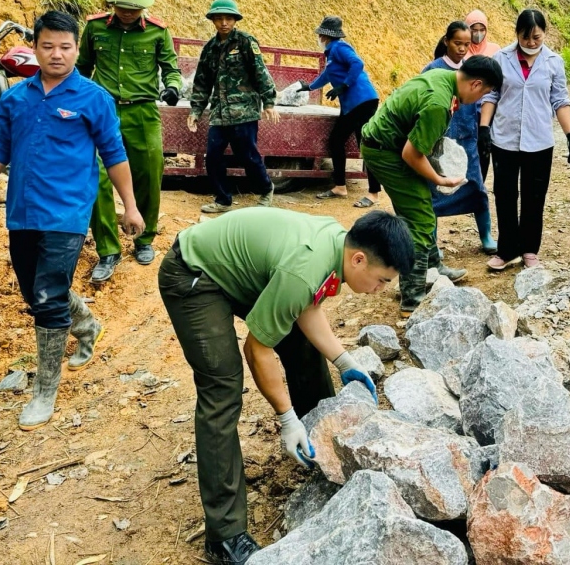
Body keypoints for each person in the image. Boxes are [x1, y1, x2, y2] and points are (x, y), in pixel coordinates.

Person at [158, 208, 414, 565]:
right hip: (195, 276)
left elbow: (305, 305)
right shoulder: (306, 267)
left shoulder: (335, 248)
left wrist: (344, 361)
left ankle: (320, 450)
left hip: (246, 273)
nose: (381, 289)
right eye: (383, 280)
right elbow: (257, 348)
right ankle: (225, 535)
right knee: (223, 387)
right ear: (358, 259)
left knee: (302, 344)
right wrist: (286, 418)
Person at [0, 11, 143, 430]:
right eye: (48, 45)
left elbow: (115, 155)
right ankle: (86, 324)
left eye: (65, 46)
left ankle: (45, 390)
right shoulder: (16, 99)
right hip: (22, 212)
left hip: (67, 213)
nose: (56, 54)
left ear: (76, 50)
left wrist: (130, 206)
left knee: (49, 298)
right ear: (34, 47)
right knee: (36, 294)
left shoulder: (93, 98)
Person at [360, 55, 503, 311]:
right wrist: (441, 179)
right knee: (421, 219)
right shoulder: (438, 101)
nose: (481, 100)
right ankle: (412, 294)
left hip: (386, 143)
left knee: (421, 206)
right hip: (385, 152)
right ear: (476, 84)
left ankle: (433, 268)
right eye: (485, 93)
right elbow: (411, 154)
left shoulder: (444, 77)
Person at [78, 0, 184, 283]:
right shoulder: (95, 28)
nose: (127, 12)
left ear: (144, 7)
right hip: (101, 110)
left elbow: (171, 68)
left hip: (142, 111)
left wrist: (173, 87)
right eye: (122, 6)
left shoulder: (157, 33)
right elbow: (83, 68)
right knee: (94, 173)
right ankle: (108, 248)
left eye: (133, 7)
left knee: (150, 171)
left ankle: (144, 238)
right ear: (112, 3)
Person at [479, 9, 570, 272]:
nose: (532, 42)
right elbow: (491, 95)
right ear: (516, 34)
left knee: (535, 197)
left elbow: (560, 100)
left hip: (539, 141)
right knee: (505, 195)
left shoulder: (553, 61)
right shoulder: (501, 58)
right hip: (505, 140)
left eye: (537, 37)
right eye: (526, 37)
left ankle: (530, 249)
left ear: (544, 33)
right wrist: (484, 128)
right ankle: (507, 250)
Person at [188, 0, 280, 214]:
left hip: (244, 112)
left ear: (235, 20)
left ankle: (266, 189)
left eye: (228, 18)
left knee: (248, 156)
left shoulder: (246, 42)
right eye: (218, 19)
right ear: (213, 20)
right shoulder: (210, 49)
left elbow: (260, 72)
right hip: (219, 113)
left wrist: (268, 101)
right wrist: (196, 110)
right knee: (213, 156)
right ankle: (222, 199)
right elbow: (202, 81)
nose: (223, 23)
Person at [422, 21, 496, 254]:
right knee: (434, 191)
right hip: (439, 143)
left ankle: (486, 235)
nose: (462, 48)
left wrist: (484, 132)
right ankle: (433, 244)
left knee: (476, 187)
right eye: (457, 43)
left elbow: (482, 102)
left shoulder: (472, 69)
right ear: (446, 41)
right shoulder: (432, 69)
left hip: (467, 139)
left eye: (466, 44)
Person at [298, 16, 382, 207]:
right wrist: (309, 87)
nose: (318, 37)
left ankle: (373, 193)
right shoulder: (331, 54)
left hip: (362, 101)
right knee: (336, 141)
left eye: (319, 34)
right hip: (352, 105)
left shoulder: (340, 47)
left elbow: (357, 64)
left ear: (324, 35)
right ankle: (340, 187)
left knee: (364, 145)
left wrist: (343, 85)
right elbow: (326, 76)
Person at [465, 9, 501, 180]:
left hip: (488, 110)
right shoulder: (462, 50)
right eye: (474, 29)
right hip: (466, 109)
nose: (478, 34)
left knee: (485, 148)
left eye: (482, 29)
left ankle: (481, 182)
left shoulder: (496, 50)